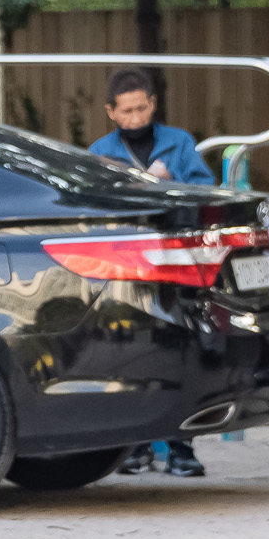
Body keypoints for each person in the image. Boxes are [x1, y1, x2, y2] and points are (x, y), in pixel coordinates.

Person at [94, 70, 216, 477]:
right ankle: (136, 445)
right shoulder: (99, 150)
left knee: (181, 348)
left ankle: (182, 445)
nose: (136, 117)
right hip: (128, 263)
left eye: (142, 107)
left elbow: (203, 189)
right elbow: (95, 206)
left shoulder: (179, 142)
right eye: (126, 111)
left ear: (153, 103)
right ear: (111, 112)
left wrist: (168, 184)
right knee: (131, 349)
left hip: (175, 260)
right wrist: (143, 184)